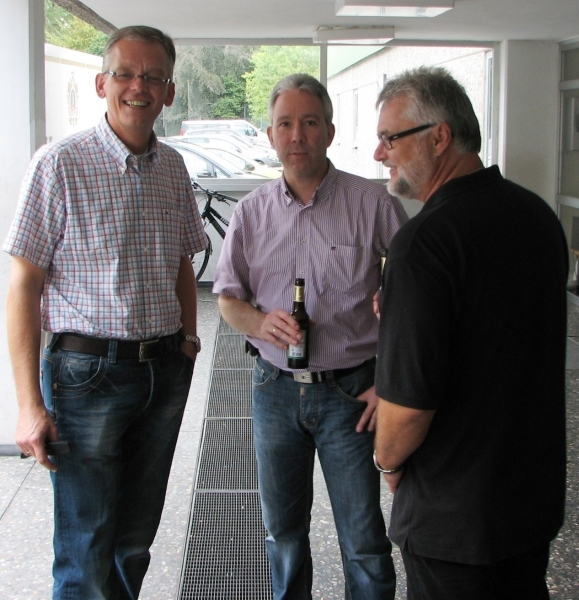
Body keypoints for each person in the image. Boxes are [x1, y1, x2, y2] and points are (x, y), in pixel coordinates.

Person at [4, 26, 207, 599]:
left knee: (135, 541)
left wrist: (189, 341)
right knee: (85, 545)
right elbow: (23, 284)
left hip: (163, 371)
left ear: (169, 92)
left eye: (154, 76)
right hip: (85, 376)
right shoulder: (59, 164)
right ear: (102, 84)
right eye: (126, 73)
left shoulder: (173, 168)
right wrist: (28, 405)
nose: (139, 86)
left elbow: (182, 263)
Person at [372, 66, 568, 600]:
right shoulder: (538, 217)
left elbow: (408, 408)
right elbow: (497, 333)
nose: (381, 153)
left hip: (453, 519)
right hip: (528, 505)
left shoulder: (423, 243)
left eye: (390, 138)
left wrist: (386, 460)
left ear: (439, 136)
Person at [213, 73, 408, 600]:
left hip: (352, 394)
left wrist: (391, 380)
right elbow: (227, 298)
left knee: (364, 540)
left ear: (330, 131)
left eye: (309, 122)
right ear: (270, 135)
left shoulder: (374, 204)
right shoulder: (251, 213)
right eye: (285, 124)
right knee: (282, 536)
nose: (296, 135)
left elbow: (417, 298)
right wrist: (259, 323)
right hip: (273, 390)